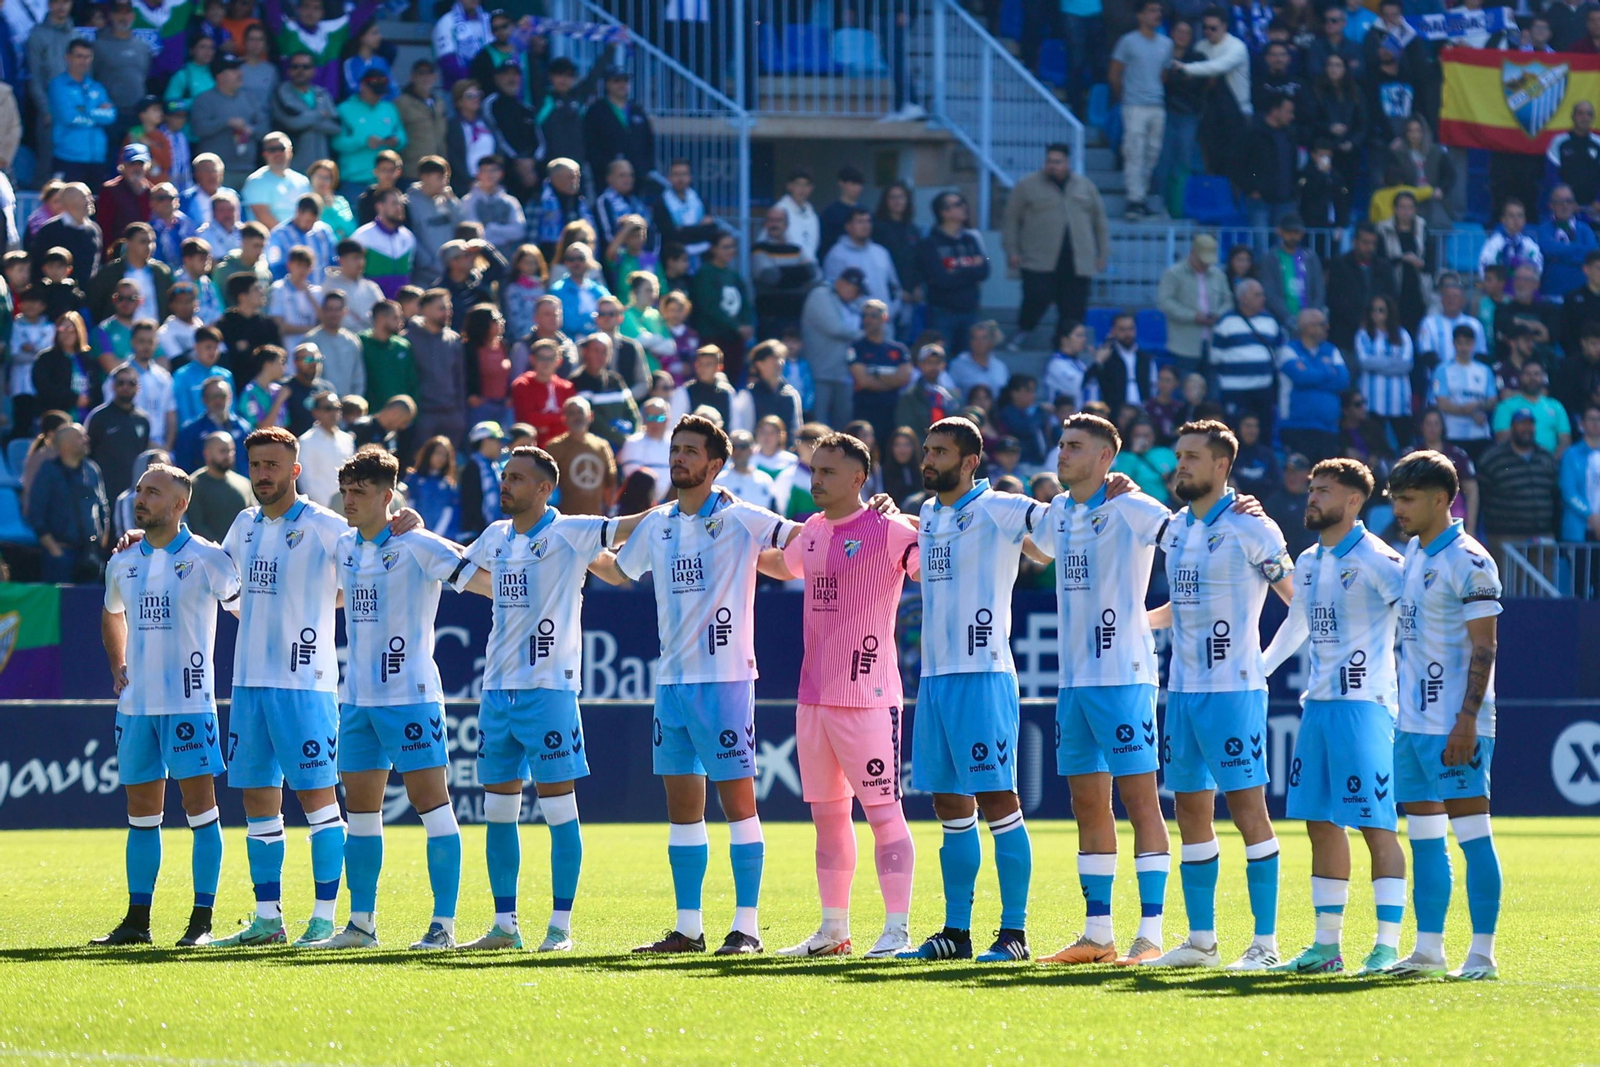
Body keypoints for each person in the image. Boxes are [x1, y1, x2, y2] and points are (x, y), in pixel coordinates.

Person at [589, 414, 798, 956]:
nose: (678, 457)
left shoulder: (742, 517)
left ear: (715, 464)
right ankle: (688, 929)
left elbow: (797, 546)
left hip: (725, 680)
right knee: (682, 808)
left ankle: (746, 928)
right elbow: (618, 571)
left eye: (689, 451)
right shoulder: (657, 521)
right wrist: (571, 545)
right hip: (673, 683)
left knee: (738, 805)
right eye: (675, 449)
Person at [195, 426, 410, 948]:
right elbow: (221, 582)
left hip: (304, 683)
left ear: (295, 470)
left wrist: (407, 521)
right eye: (256, 466)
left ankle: (323, 916)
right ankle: (268, 920)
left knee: (318, 801)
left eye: (273, 465)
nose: (263, 474)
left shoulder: (323, 525)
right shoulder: (243, 525)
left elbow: (368, 563)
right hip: (247, 682)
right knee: (258, 802)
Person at [715, 430, 916, 959]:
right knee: (828, 817)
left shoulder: (891, 530)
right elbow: (782, 565)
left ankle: (897, 930)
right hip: (814, 697)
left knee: (883, 813)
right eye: (813, 470)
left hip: (869, 697)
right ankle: (834, 930)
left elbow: (933, 561)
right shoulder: (812, 531)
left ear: (858, 478)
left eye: (828, 472)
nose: (816, 480)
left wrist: (918, 524)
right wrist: (740, 531)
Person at [452, 445, 651, 952]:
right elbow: (452, 569)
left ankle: (560, 927)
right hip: (497, 691)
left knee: (560, 812)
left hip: (550, 691)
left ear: (544, 489)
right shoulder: (495, 535)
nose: (506, 485)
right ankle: (504, 926)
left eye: (517, 478)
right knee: (497, 814)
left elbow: (625, 527)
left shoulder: (569, 531)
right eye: (504, 477)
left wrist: (679, 509)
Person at [883, 416, 1037, 964]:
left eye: (940, 452)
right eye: (926, 450)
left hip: (984, 673)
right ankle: (956, 932)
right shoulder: (928, 512)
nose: (928, 460)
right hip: (935, 677)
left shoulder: (1000, 507)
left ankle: (1014, 934)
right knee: (950, 802)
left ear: (970, 461)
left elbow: (1046, 540)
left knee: (999, 800)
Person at [1021, 413, 1173, 965]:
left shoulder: (1133, 506)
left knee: (1140, 801)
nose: (1061, 453)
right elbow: (1037, 549)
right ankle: (1098, 935)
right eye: (1060, 443)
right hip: (1075, 681)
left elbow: (1187, 538)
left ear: (1106, 458)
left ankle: (1151, 933)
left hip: (1125, 677)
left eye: (1075, 446)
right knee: (1088, 803)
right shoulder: (1059, 511)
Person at [308, 448, 470, 951]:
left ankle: (443, 926)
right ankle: (361, 925)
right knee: (361, 813)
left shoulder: (419, 544)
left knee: (432, 806)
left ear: (387, 496)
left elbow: (474, 575)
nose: (349, 500)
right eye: (346, 491)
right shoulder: (343, 546)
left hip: (412, 697)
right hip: (356, 700)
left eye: (360, 492)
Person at [1146, 419, 1294, 970]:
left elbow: (1296, 598)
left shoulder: (1254, 527)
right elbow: (1179, 609)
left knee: (1248, 809)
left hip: (1233, 691)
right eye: (1177, 454)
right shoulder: (1177, 528)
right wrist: (1141, 624)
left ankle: (1266, 943)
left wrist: (1263, 663)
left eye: (1190, 456)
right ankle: (1202, 941)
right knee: (1189, 810)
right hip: (1181, 691)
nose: (1179, 464)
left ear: (1221, 466)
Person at [1257, 458, 1407, 976]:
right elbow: (1296, 626)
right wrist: (1258, 670)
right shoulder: (1310, 560)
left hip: (1364, 708)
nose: (1312, 497)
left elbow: (1416, 619)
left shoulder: (1380, 559)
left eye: (1324, 491)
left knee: (1375, 824)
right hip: (1317, 706)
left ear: (1353, 501)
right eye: (1311, 488)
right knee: (1320, 823)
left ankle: (1387, 946)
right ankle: (1327, 947)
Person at [91, 462, 238, 948]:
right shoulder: (122, 560)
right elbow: (112, 614)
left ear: (180, 504)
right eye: (139, 490)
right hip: (136, 707)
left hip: (190, 705)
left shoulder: (208, 558)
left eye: (153, 493)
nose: (141, 499)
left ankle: (202, 921)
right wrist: (118, 664)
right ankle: (137, 921)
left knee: (201, 809)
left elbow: (248, 609)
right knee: (140, 813)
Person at [1384, 450, 1504, 981]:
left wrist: (1466, 720)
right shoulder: (1412, 553)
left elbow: (1485, 648)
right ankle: (1428, 949)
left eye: (1407, 500)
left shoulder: (1470, 560)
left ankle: (1481, 953)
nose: (1399, 509)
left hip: (1455, 724)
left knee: (1473, 835)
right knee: (1426, 839)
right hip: (1412, 725)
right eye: (1394, 498)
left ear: (1441, 499)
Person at [1000, 145, 1107, 351]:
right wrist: (1012, 250)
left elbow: (1099, 222)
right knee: (1035, 297)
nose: (1052, 166)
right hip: (1038, 259)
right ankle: (1023, 330)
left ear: (1067, 163)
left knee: (1074, 309)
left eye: (1057, 162)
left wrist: (1102, 254)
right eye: (1049, 161)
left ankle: (1063, 347)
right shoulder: (1027, 185)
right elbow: (1011, 220)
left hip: (1077, 261)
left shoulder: (1085, 186)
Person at [1109, 0, 1173, 220]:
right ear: (1140, 15)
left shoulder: (1166, 43)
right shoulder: (1127, 42)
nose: (1157, 14)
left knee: (1152, 153)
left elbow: (1163, 75)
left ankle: (1142, 196)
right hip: (1134, 105)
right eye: (1152, 10)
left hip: (1157, 105)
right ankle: (1134, 199)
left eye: (1159, 10)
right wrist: (1125, 97)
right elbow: (1115, 73)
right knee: (1134, 151)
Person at [28, 421, 108, 583]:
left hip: (89, 555)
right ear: (66, 444)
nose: (86, 440)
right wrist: (54, 550)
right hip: (61, 555)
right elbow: (36, 513)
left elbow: (103, 507)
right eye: (80, 437)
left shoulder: (92, 470)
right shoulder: (48, 472)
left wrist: (101, 541)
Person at [917, 192, 990, 351]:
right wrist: (970, 267)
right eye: (957, 204)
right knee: (942, 360)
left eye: (962, 202)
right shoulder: (930, 244)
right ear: (944, 212)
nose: (963, 207)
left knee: (967, 363)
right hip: (942, 313)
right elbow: (940, 279)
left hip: (971, 311)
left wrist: (955, 268)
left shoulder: (971, 239)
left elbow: (985, 268)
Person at [1278, 308, 1351, 465]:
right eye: (1322, 324)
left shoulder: (1331, 350)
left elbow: (1343, 380)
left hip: (1328, 428)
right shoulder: (1288, 351)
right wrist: (1328, 372)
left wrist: (1313, 374)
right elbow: (1302, 378)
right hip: (1298, 426)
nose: (1327, 328)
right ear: (1307, 327)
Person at [1209, 279, 1282, 434]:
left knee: (1263, 432)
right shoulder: (1226, 322)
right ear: (1243, 298)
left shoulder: (1270, 320)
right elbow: (1215, 357)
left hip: (1263, 391)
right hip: (1235, 392)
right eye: (1257, 295)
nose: (1263, 298)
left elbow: (1278, 352)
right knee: (1234, 433)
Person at [1157, 234, 1232, 377]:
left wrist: (1218, 315)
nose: (1206, 264)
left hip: (1213, 342)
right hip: (1184, 344)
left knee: (1212, 389)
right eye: (1202, 260)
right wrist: (1192, 316)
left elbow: (1228, 301)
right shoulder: (1173, 274)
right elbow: (1165, 302)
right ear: (1192, 253)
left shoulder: (1218, 275)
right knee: (1187, 386)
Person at [799, 270, 863, 430]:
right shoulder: (820, 295)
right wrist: (865, 335)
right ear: (845, 284)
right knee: (818, 426)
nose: (858, 296)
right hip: (820, 373)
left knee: (843, 426)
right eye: (857, 291)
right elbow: (835, 328)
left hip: (843, 374)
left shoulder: (849, 303)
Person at [191, 58, 270, 188]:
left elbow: (265, 129)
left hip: (250, 171)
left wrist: (251, 130)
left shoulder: (251, 99)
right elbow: (198, 129)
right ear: (220, 76)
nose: (240, 73)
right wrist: (226, 122)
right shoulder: (204, 100)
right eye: (233, 70)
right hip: (217, 174)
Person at [690, 233, 755, 385]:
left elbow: (745, 303)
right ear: (713, 249)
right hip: (713, 337)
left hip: (735, 339)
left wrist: (747, 325)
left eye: (732, 246)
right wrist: (736, 326)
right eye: (725, 247)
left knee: (732, 381)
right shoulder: (705, 273)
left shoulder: (734, 275)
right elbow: (709, 307)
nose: (730, 250)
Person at [846, 301, 912, 447]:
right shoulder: (856, 347)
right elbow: (863, 381)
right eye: (865, 316)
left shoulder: (899, 349)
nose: (868, 320)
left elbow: (904, 378)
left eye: (873, 316)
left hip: (892, 412)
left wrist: (875, 376)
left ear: (885, 318)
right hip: (865, 411)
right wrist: (891, 380)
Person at [86, 362, 153, 505]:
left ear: (138, 387)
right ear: (113, 386)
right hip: (104, 490)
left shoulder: (143, 420)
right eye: (121, 382)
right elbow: (87, 454)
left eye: (131, 383)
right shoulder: (99, 417)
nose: (125, 387)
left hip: (133, 492)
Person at [1327, 223, 1396, 354]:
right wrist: (1361, 322)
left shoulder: (1384, 267)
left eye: (1373, 243)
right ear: (1355, 242)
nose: (1369, 247)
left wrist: (1376, 321)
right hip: (1346, 336)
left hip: (1378, 335)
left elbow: (1391, 296)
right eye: (1365, 242)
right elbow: (1336, 299)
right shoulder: (1339, 265)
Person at [544, 396, 616, 517]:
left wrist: (609, 511)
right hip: (565, 520)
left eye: (580, 412)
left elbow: (611, 482)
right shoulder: (554, 447)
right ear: (564, 418)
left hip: (596, 519)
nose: (577, 417)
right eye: (571, 413)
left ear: (590, 416)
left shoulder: (602, 446)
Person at [270, 53, 341, 173]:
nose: (300, 71)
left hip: (321, 167)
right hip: (292, 168)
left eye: (305, 67)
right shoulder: (281, 93)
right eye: (295, 67)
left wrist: (305, 119)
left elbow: (336, 127)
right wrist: (319, 115)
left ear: (314, 71)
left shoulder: (323, 94)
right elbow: (291, 123)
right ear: (288, 70)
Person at [1259, 215, 1325, 330]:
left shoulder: (1311, 257)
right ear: (1280, 231)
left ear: (1302, 233)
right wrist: (1290, 318)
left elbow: (1319, 290)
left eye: (1297, 232)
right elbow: (1269, 292)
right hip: (1279, 321)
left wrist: (1312, 317)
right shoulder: (1270, 258)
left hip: (1309, 324)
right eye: (1289, 232)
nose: (1293, 236)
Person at [1533, 185, 1598, 300]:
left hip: (1582, 296)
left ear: (1574, 205)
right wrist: (1578, 251)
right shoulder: (1544, 229)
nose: (1565, 205)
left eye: (1569, 201)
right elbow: (1547, 249)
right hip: (1551, 295)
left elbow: (1592, 256)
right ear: (1551, 206)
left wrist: (1559, 255)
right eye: (1559, 202)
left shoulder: (1585, 229)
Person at [1491, 361, 1570, 456]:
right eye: (1528, 374)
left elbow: (1565, 442)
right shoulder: (1505, 407)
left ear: (1543, 378)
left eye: (1536, 374)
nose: (1532, 378)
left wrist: (1551, 463)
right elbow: (1502, 441)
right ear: (1520, 377)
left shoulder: (1556, 406)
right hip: (1517, 465)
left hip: (1550, 465)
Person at [187, 430, 254, 540]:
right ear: (207, 454)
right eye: (223, 451)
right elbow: (197, 526)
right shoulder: (194, 485)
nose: (228, 456)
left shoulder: (244, 484)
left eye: (231, 451)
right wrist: (220, 551)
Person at [173, 377, 250, 471]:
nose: (218, 401)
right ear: (204, 399)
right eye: (213, 397)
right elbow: (183, 468)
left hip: (241, 484)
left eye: (222, 396)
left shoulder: (243, 429)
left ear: (230, 397)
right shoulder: (190, 432)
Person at [351, 188, 417, 299]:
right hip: (373, 304)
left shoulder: (408, 237)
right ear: (379, 206)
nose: (399, 208)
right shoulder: (362, 236)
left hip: (401, 307)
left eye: (401, 204)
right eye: (394, 203)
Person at [302, 291, 363, 401]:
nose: (334, 314)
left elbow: (358, 378)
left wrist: (353, 403)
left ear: (345, 312)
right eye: (330, 309)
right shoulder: (311, 341)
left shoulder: (352, 341)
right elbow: (306, 376)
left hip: (347, 410)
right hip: (321, 409)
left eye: (338, 309)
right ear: (323, 311)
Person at [295, 389, 351, 508]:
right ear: (316, 412)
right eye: (328, 408)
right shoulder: (306, 441)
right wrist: (327, 509)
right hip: (321, 511)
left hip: (347, 509)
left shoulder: (347, 440)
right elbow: (307, 483)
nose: (334, 412)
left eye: (337, 408)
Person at [462, 155, 527, 255]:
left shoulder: (511, 201)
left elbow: (519, 231)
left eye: (493, 170)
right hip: (477, 254)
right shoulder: (468, 201)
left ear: (501, 174)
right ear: (478, 174)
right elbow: (471, 232)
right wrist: (504, 232)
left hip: (506, 253)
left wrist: (493, 228)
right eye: (485, 170)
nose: (489, 175)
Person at [1546, 100, 1600, 218]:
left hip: (1593, 210)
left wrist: (1598, 201)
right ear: (1573, 117)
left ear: (1593, 118)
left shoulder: (1598, 143)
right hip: (1564, 209)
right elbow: (1552, 175)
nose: (1585, 118)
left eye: (1589, 114)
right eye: (1580, 114)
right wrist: (1566, 201)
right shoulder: (1559, 142)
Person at [667, 344, 737, 429]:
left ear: (719, 367)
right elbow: (674, 425)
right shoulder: (684, 392)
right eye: (700, 364)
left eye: (708, 364)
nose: (703, 368)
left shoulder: (727, 393)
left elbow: (735, 425)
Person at [617, 397, 671, 499]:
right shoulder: (633, 442)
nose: (655, 423)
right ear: (644, 420)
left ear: (668, 419)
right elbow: (633, 476)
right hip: (640, 501)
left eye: (660, 418)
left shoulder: (675, 443)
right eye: (650, 418)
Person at [1478, 199, 1543, 277]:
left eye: (1520, 215)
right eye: (1511, 215)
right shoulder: (1494, 243)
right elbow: (1485, 267)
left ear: (1524, 220)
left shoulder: (1529, 244)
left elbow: (1538, 267)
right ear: (1503, 220)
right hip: (1500, 287)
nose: (1516, 220)